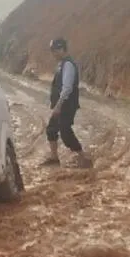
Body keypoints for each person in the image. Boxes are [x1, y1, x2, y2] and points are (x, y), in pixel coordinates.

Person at [42, 38, 92, 168]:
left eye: (54, 51)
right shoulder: (62, 64)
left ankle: (83, 157)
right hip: (61, 104)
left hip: (66, 105)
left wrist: (58, 105)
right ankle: (54, 157)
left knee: (65, 131)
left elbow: (67, 88)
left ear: (61, 49)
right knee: (51, 129)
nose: (53, 54)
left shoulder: (68, 65)